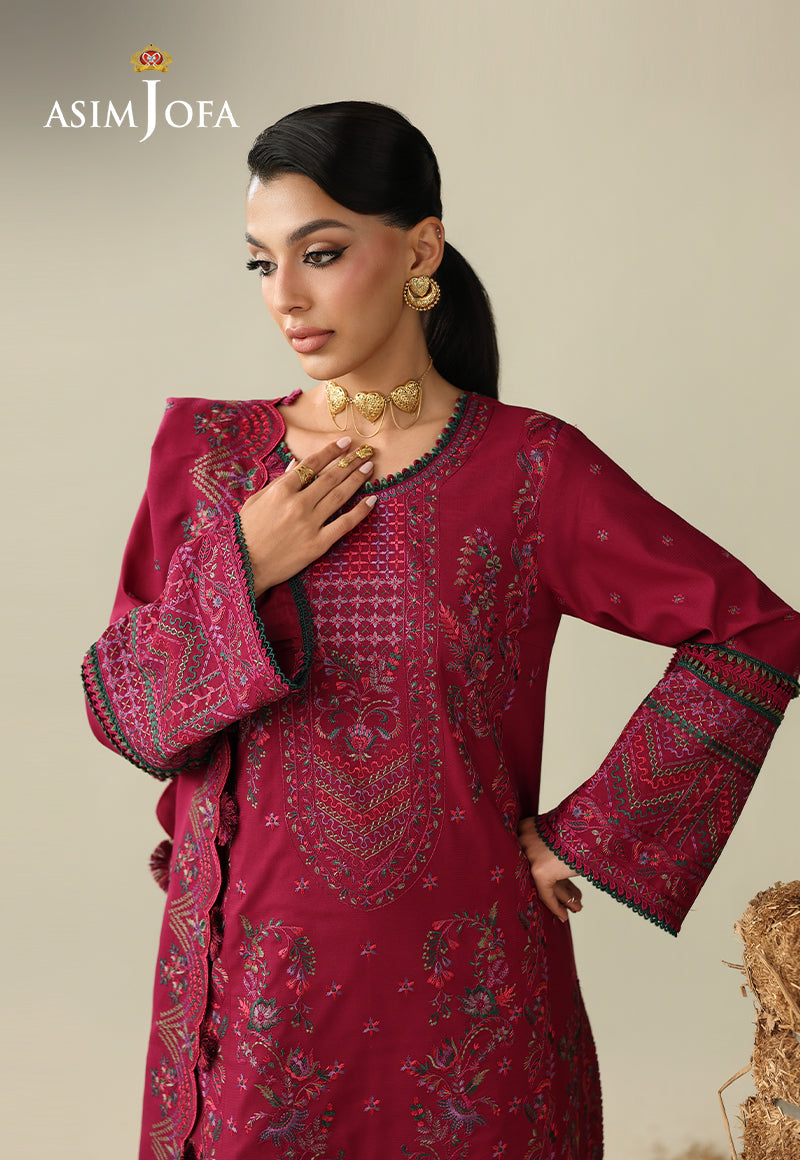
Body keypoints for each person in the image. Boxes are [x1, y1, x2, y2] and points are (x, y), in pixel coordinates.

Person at [82, 101, 800, 1160]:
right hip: (252, 1019)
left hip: (474, 1027)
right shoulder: (209, 457)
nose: (285, 295)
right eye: (261, 262)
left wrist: (588, 834)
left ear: (420, 250)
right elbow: (129, 718)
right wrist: (245, 564)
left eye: (321, 253)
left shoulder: (529, 468)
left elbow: (753, 629)